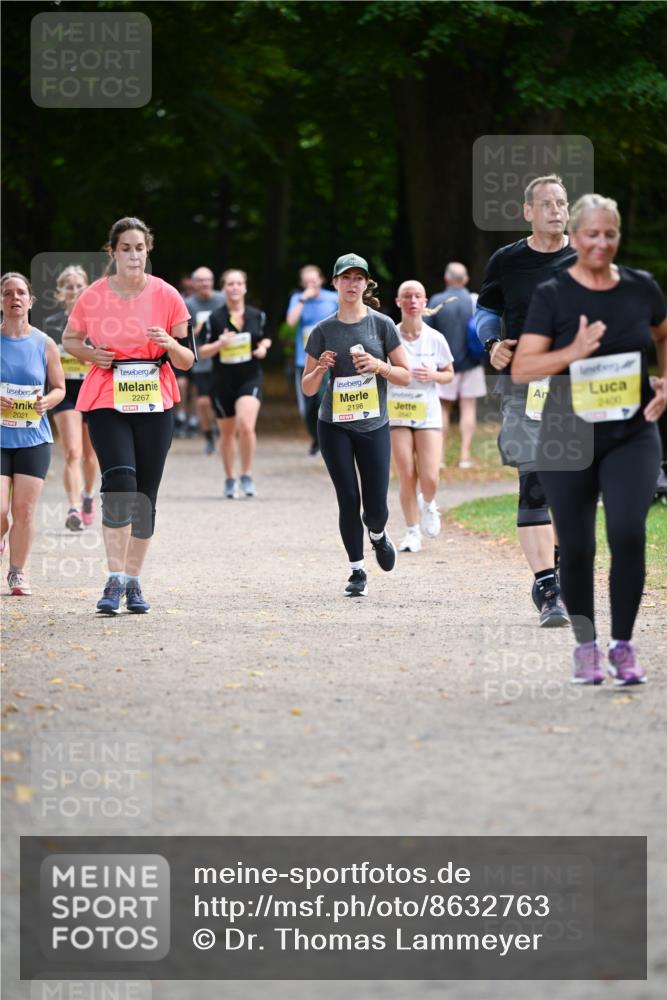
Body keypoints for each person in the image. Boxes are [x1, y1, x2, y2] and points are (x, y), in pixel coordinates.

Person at [513, 194, 667, 685]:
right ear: (575, 238)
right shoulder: (554, 294)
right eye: (591, 234)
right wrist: (573, 351)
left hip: (632, 433)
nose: (601, 243)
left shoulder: (641, 289)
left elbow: (663, 334)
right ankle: (586, 647)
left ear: (617, 236)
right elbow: (524, 366)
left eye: (610, 234)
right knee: (576, 547)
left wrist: (664, 381)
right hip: (566, 436)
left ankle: (622, 645)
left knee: (627, 532)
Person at [62, 217, 193, 614]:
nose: (133, 255)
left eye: (140, 248)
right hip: (107, 392)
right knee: (120, 482)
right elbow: (71, 339)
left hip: (156, 396)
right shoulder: (94, 296)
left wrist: (169, 342)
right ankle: (114, 577)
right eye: (126, 248)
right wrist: (90, 354)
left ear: (147, 250)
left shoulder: (168, 295)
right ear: (113, 252)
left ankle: (134, 581)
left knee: (145, 497)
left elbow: (186, 361)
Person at [475, 174, 576, 627]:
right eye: (547, 203)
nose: (557, 210)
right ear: (528, 212)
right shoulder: (507, 261)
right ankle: (548, 588)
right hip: (524, 387)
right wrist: (492, 343)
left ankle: (556, 559)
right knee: (534, 479)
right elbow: (485, 312)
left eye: (562, 202)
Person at [302, 253, 410, 597]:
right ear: (334, 283)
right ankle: (356, 570)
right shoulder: (323, 331)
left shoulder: (382, 325)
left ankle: (377, 534)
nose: (352, 283)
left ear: (366, 284)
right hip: (333, 425)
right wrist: (320, 369)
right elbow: (307, 387)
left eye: (358, 278)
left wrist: (379, 365)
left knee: (375, 506)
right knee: (348, 497)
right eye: (346, 277)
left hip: (374, 424)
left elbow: (405, 375)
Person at [1, 272, 65, 595]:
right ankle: (2, 534)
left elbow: (60, 389)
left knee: (24, 510)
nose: (15, 298)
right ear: (1, 300)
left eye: (21, 293)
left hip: (33, 438)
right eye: (8, 293)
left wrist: (46, 402)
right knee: (0, 511)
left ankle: (17, 572)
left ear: (30, 300)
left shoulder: (44, 343)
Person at [389, 280, 454, 553]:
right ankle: (411, 531)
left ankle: (428, 503)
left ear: (425, 302)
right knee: (406, 473)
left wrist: (434, 376)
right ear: (398, 302)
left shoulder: (435, 338)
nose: (413, 301)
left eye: (418, 296)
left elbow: (449, 374)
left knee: (430, 475)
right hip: (398, 409)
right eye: (407, 296)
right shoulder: (389, 335)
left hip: (427, 410)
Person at [199, 269, 271, 498]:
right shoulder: (215, 318)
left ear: (245, 287)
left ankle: (247, 474)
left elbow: (265, 337)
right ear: (223, 288)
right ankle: (230, 478)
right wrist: (220, 343)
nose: (235, 287)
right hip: (222, 381)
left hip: (250, 377)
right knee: (227, 433)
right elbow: (203, 350)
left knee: (246, 425)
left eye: (239, 283)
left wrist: (263, 348)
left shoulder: (256, 315)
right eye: (230, 284)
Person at [43, 266, 99, 530]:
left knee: (90, 456)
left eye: (79, 285)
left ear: (87, 289)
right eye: (69, 286)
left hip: (93, 392)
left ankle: (88, 496)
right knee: (72, 452)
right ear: (60, 292)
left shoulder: (98, 320)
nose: (74, 290)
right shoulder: (52, 324)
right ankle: (73, 508)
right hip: (65, 393)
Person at [425, 262, 485, 468]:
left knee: (442, 409)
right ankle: (465, 457)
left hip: (444, 365)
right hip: (472, 363)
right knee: (468, 407)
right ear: (465, 279)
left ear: (447, 279)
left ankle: (440, 458)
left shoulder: (436, 301)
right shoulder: (474, 301)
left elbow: (428, 334)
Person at [286, 265, 338, 455]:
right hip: (305, 360)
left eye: (314, 281)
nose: (311, 285)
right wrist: (303, 298)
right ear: (302, 284)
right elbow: (291, 322)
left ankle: (326, 440)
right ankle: (316, 438)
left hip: (331, 360)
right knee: (308, 406)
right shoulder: (298, 299)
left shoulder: (333, 298)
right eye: (307, 282)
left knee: (324, 399)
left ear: (321, 280)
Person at [184, 267, 225, 454]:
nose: (205, 284)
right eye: (200, 280)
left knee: (221, 400)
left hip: (223, 359)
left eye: (208, 280)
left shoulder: (222, 300)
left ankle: (224, 433)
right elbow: (181, 332)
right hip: (201, 360)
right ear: (193, 284)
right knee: (202, 402)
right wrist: (195, 331)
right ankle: (208, 435)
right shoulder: (188, 304)